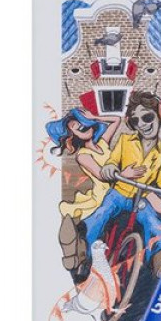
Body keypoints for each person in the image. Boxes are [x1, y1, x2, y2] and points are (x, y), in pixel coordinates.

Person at [63, 91, 161, 278]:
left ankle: (160, 258)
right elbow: (112, 162)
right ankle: (82, 249)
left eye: (147, 118)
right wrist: (112, 169)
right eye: (136, 121)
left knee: (152, 222)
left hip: (141, 198)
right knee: (102, 213)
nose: (142, 125)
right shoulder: (125, 141)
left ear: (160, 115)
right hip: (119, 193)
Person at [47, 108, 114, 276]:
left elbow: (117, 121)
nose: (82, 127)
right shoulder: (83, 155)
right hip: (102, 196)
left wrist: (95, 116)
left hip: (119, 190)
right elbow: (102, 175)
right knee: (95, 228)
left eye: (83, 123)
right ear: (72, 136)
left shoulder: (103, 144)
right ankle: (87, 260)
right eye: (76, 128)